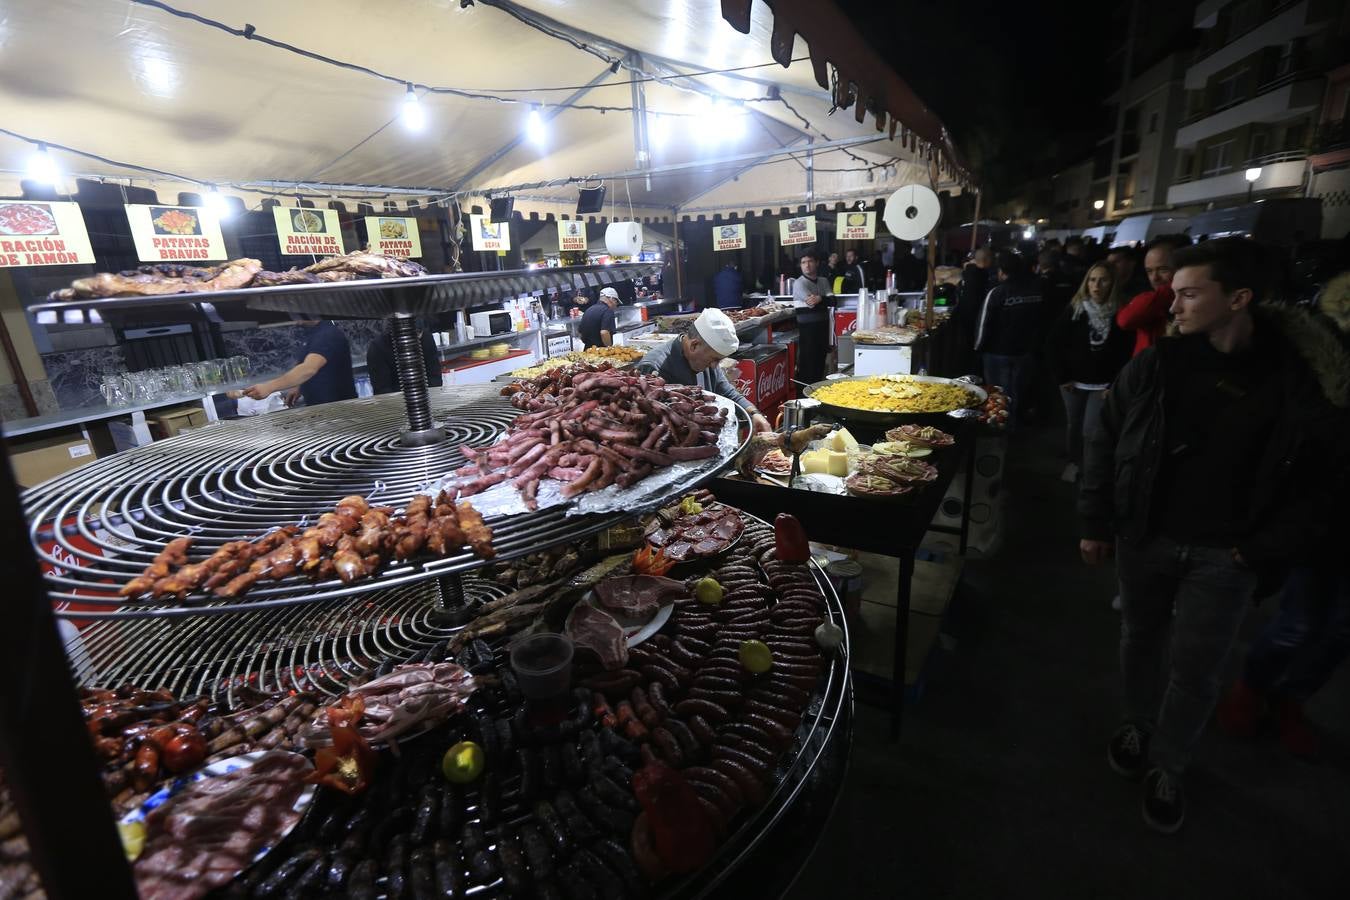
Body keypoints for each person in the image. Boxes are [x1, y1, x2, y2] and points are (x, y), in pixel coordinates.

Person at [1078, 238, 1345, 835]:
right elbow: (1105, 436)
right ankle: (1137, 725)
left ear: (1239, 299)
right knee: (1139, 640)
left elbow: (1322, 482)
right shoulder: (1160, 363)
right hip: (1147, 537)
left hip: (1226, 555)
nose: (1173, 307)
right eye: (1173, 293)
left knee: (1197, 669)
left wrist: (1259, 550)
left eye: (1189, 294)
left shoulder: (1295, 380)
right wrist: (1096, 522)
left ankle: (1170, 763)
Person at [1216, 269, 1350, 757]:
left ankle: (1291, 700)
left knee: (1340, 628)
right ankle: (1252, 689)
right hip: (1324, 515)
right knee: (1299, 621)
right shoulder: (1318, 352)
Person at [1044, 262, 1131, 482]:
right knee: (1074, 424)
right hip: (1073, 382)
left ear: (1112, 283)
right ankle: (1073, 462)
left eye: (1103, 280)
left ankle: (1089, 468)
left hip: (1102, 384)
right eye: (1092, 280)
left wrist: (1114, 384)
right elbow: (1054, 343)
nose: (1097, 285)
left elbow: (1126, 352)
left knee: (1090, 430)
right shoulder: (1075, 309)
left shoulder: (1121, 313)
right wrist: (1062, 377)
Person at [635, 308, 772, 433]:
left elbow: (725, 390)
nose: (714, 366)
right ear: (694, 345)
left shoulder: (705, 359)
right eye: (714, 360)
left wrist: (754, 414)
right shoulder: (654, 367)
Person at [974, 249, 1047, 425]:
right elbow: (1042, 321)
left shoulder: (997, 292)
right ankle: (1015, 425)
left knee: (999, 395)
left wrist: (978, 348)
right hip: (1025, 352)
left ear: (1001, 271)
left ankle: (1001, 431)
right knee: (1017, 392)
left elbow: (983, 325)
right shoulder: (1036, 292)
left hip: (997, 353)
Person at [241, 319, 356, 407]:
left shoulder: (327, 335)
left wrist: (269, 387)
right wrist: (299, 386)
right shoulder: (314, 333)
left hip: (339, 411)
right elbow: (312, 364)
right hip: (322, 408)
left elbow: (309, 368)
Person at [1116, 235, 1192, 357]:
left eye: (1163, 270)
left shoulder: (1197, 302)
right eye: (1149, 271)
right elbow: (1125, 320)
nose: (1154, 278)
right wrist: (1170, 290)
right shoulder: (1149, 298)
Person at [791, 251, 834, 385]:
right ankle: (806, 402)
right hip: (807, 333)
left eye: (810, 261)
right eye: (803, 263)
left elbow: (833, 301)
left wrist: (820, 298)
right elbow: (811, 304)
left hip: (823, 331)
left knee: (820, 368)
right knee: (807, 370)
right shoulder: (799, 283)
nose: (807, 265)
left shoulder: (823, 281)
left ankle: (817, 400)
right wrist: (824, 300)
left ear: (817, 263)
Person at [365, 322, 442, 395]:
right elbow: (382, 390)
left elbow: (435, 376)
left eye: (418, 335)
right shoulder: (378, 348)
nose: (414, 341)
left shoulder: (425, 338)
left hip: (427, 397)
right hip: (394, 401)